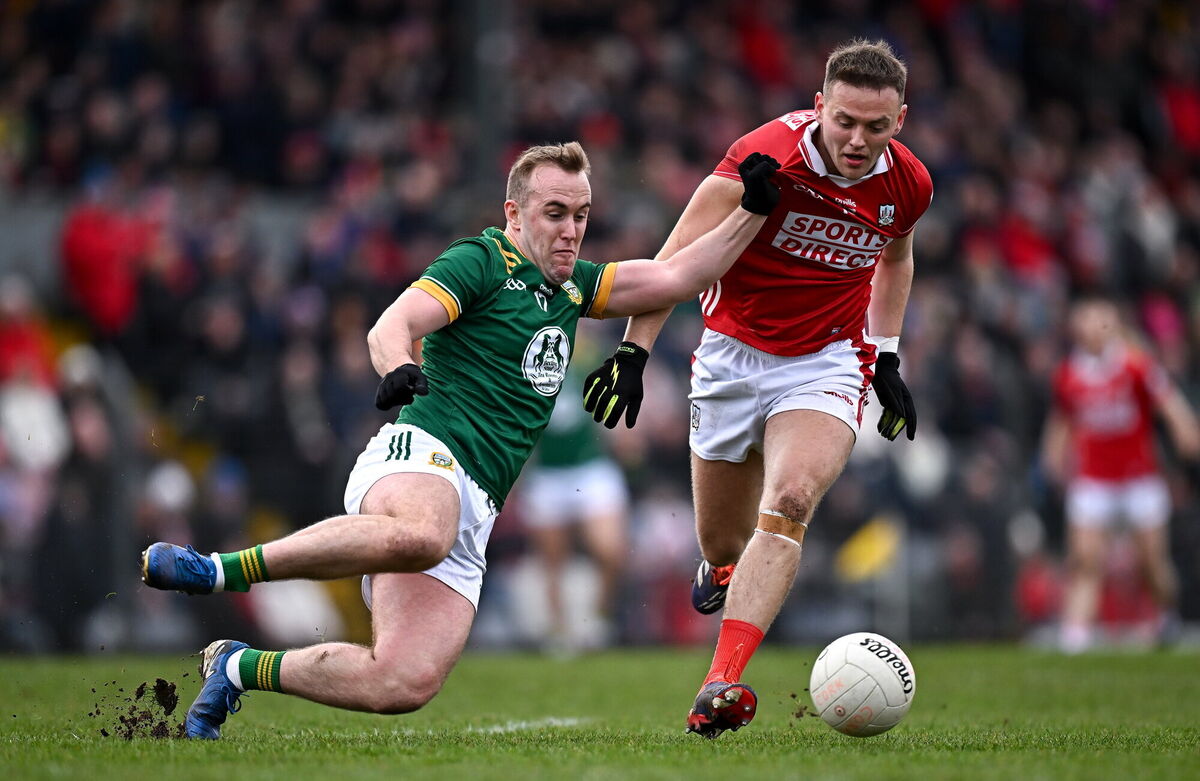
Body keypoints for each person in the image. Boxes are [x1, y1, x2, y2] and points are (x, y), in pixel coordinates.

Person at [139, 141, 782, 739]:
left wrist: (751, 211)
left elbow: (675, 278)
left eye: (581, 215)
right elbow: (393, 324)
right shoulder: (480, 261)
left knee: (402, 682)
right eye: (554, 213)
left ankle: (237, 668)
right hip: (421, 454)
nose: (570, 229)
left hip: (477, 502)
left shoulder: (574, 286)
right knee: (424, 532)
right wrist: (395, 365)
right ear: (515, 213)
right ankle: (217, 570)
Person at [582, 39, 932, 739]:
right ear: (818, 108)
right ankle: (720, 567)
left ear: (901, 119)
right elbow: (672, 264)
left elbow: (896, 257)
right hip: (731, 358)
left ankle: (719, 680)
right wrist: (633, 354)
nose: (859, 140)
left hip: (828, 360)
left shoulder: (910, 185)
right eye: (845, 122)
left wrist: (887, 357)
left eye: (877, 126)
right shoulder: (761, 158)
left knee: (792, 500)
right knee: (722, 539)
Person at [1041, 295, 1200, 653]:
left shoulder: (1136, 365)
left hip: (1139, 478)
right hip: (1093, 479)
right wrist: (1053, 456)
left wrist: (1186, 432)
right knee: (1085, 560)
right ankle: (1075, 638)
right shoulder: (1068, 373)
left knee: (1151, 564)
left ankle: (1166, 617)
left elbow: (1168, 403)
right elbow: (1062, 419)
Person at [519, 333, 630, 654]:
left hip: (591, 466)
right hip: (548, 473)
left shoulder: (588, 355)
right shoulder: (525, 362)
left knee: (610, 550)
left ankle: (597, 619)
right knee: (553, 559)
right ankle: (560, 632)